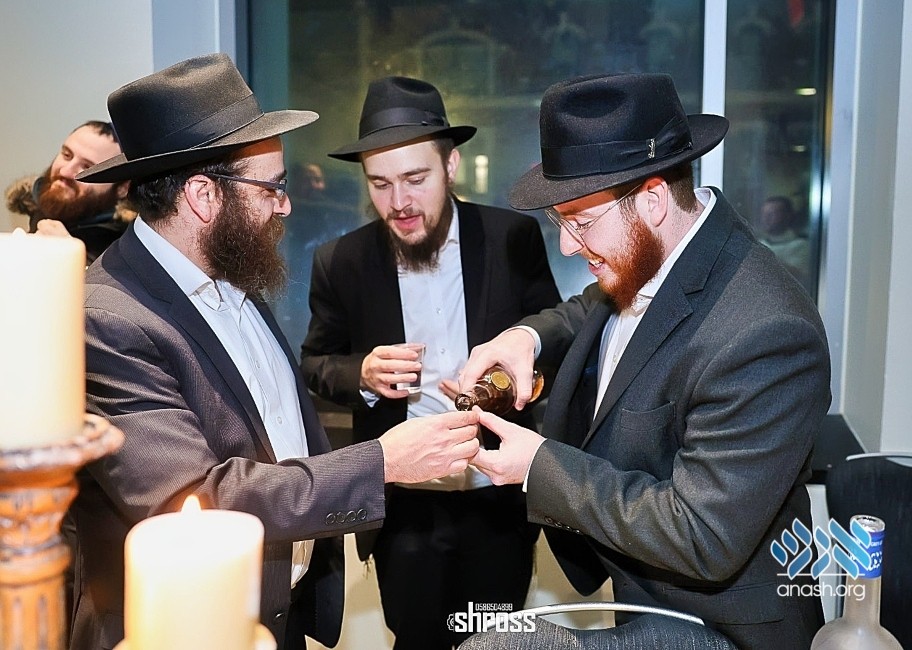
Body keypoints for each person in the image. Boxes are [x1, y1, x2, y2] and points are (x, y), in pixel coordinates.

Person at [68, 53, 481, 650]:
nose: (285, 205)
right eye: (272, 187)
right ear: (204, 196)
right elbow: (202, 501)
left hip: (273, 617)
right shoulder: (109, 319)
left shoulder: (230, 271)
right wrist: (382, 462)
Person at [459, 73, 831, 649]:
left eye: (581, 222)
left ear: (653, 200)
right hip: (642, 602)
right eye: (560, 222)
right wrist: (525, 338)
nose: (567, 246)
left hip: (721, 630)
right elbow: (590, 308)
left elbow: (703, 533)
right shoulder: (654, 258)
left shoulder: (768, 333)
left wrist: (539, 467)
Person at [300, 76, 562, 650]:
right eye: (380, 184)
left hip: (497, 495)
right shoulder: (340, 261)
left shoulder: (512, 238)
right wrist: (362, 374)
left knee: (495, 640)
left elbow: (552, 345)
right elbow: (316, 362)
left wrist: (511, 383)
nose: (399, 202)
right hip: (406, 509)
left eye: (416, 179)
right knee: (417, 640)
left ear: (451, 165)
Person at [5, 120, 132, 262]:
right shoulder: (37, 208)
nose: (65, 171)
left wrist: (74, 260)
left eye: (87, 167)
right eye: (67, 155)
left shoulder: (129, 252)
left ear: (123, 188)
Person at [757, 195, 811, 290]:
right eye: (764, 214)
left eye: (772, 213)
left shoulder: (801, 245)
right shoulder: (759, 243)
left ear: (787, 216)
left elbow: (797, 276)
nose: (766, 218)